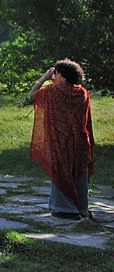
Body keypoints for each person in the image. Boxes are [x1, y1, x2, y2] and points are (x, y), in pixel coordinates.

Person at [29, 59, 95, 220]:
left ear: (63, 77)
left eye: (56, 73)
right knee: (80, 173)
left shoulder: (52, 92)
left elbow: (32, 96)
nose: (53, 76)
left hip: (60, 141)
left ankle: (64, 209)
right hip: (80, 140)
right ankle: (82, 208)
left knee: (61, 172)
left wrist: (43, 78)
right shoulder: (82, 93)